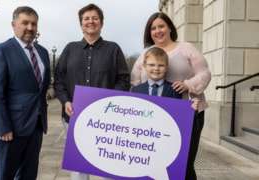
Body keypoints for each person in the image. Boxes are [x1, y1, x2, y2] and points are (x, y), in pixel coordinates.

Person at [131, 12, 211, 180]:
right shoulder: (145, 54)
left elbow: (205, 73)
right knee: (158, 162)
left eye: (161, 26)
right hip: (155, 118)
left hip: (189, 112)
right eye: (153, 28)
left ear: (169, 28)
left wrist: (188, 84)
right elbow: (135, 81)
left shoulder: (186, 48)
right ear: (149, 32)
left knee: (184, 163)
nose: (158, 31)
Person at [54, 3, 130, 180]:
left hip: (106, 120)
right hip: (74, 117)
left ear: (101, 23)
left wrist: (108, 101)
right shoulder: (69, 49)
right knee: (79, 169)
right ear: (81, 24)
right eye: (86, 18)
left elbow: (124, 79)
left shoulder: (113, 49)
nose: (90, 21)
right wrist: (65, 101)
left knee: (107, 168)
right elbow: (59, 80)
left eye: (95, 18)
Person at [0, 6, 50, 180]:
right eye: (25, 23)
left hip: (36, 126)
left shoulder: (43, 53)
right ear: (14, 25)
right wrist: (3, 126)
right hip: (11, 129)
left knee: (29, 174)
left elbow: (41, 89)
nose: (30, 27)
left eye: (34, 24)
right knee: (6, 174)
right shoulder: (1, 51)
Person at [131, 47, 199, 110]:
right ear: (144, 66)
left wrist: (191, 109)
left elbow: (179, 113)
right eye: (151, 65)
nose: (156, 68)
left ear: (166, 67)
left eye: (161, 65)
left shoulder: (175, 90)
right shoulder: (136, 91)